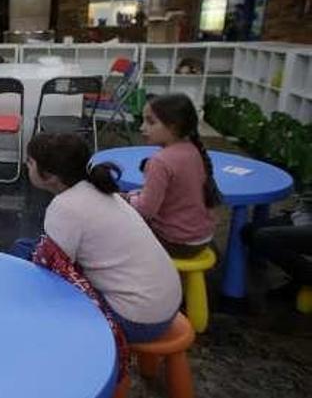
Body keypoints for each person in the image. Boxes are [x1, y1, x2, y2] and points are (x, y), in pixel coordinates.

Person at [19, 132, 182, 343]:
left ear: (50, 176)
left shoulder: (65, 207)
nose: (27, 166)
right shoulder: (99, 189)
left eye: (30, 162)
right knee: (24, 247)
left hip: (136, 320)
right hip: (165, 304)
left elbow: (50, 270)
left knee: (26, 262)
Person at [125, 93, 220, 258]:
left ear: (174, 127)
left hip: (176, 242)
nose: (142, 128)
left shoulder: (160, 161)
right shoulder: (192, 149)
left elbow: (145, 211)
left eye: (150, 122)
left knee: (116, 225)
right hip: (202, 237)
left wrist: (129, 198)